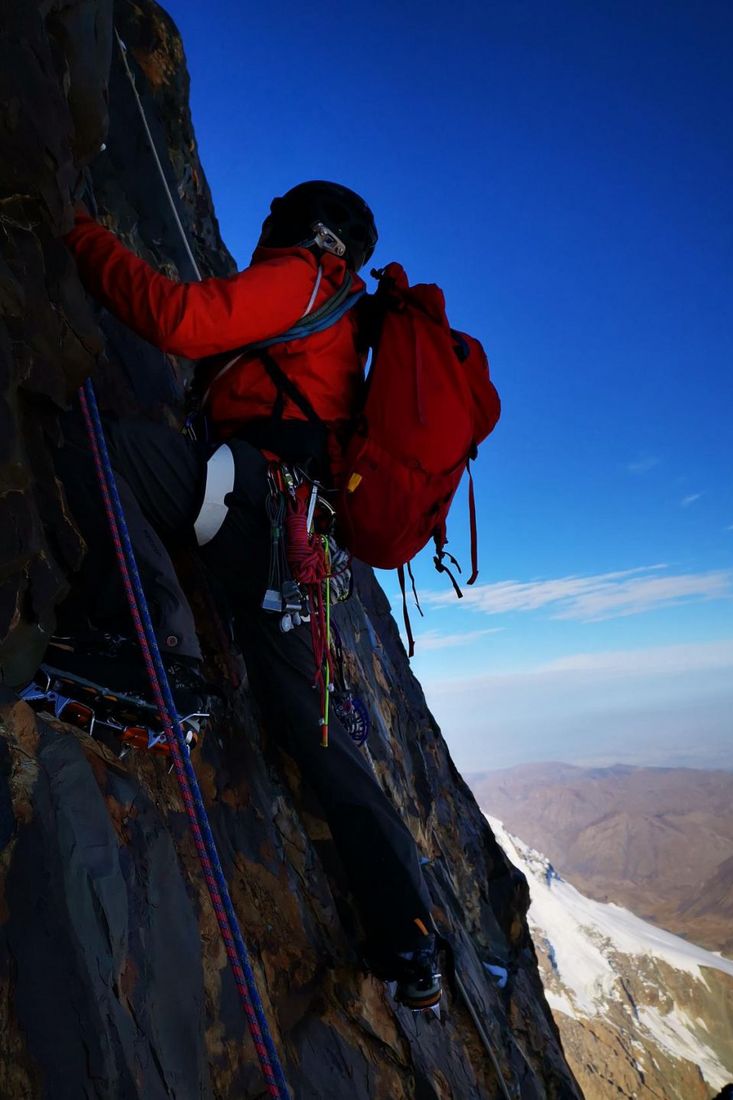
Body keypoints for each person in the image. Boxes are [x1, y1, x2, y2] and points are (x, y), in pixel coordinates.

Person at [53, 181, 441, 1010]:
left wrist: (82, 238)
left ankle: (159, 655)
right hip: (299, 542)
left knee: (103, 453)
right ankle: (408, 932)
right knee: (319, 735)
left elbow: (178, 320)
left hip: (248, 498)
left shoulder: (303, 278)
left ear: (302, 230)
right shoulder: (341, 315)